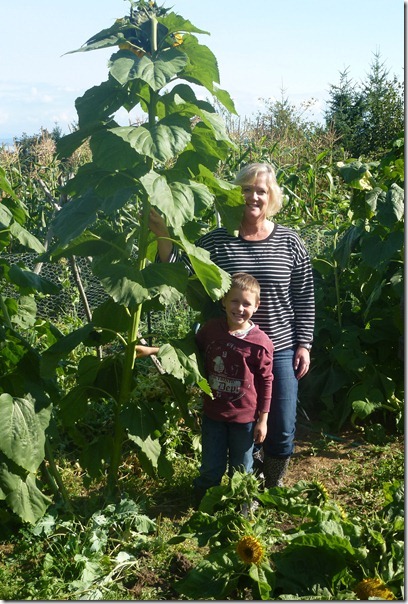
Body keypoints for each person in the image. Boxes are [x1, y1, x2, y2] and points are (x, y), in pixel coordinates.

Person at [149, 162, 315, 487]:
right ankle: (246, 484)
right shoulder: (217, 242)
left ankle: (272, 484)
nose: (253, 196)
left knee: (281, 428)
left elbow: (304, 295)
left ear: (272, 197)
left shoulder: (289, 242)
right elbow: (178, 271)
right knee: (237, 421)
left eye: (261, 191)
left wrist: (304, 344)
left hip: (279, 348)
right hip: (230, 350)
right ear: (234, 194)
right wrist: (161, 232)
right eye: (246, 189)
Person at [136, 273, 274, 502]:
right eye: (234, 301)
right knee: (211, 464)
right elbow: (188, 351)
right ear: (223, 301)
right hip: (214, 414)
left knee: (241, 468)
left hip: (244, 418)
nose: (240, 308)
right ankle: (203, 502)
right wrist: (151, 350)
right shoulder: (211, 330)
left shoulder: (260, 342)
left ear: (256, 306)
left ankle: (241, 504)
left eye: (247, 303)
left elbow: (267, 381)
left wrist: (263, 419)